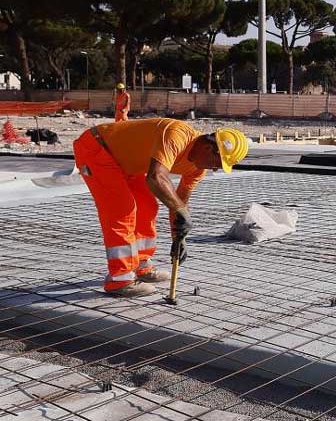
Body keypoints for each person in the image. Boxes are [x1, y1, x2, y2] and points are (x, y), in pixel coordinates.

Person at [73, 118, 249, 297]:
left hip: (127, 163)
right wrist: (180, 210)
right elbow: (155, 177)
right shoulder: (177, 134)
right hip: (97, 149)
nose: (215, 169)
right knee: (122, 210)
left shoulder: (197, 168)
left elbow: (179, 201)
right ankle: (120, 280)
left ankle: (141, 265)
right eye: (216, 163)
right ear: (207, 148)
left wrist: (179, 238)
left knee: (147, 206)